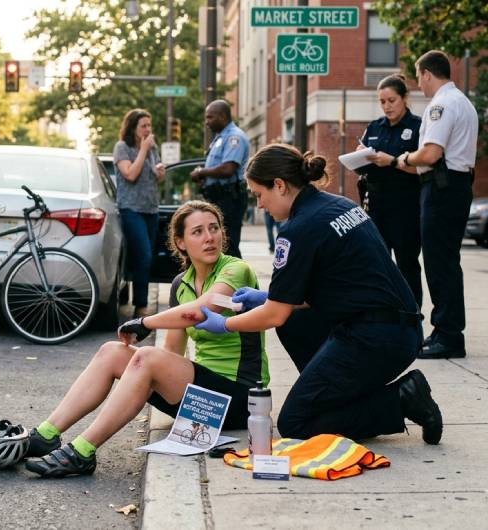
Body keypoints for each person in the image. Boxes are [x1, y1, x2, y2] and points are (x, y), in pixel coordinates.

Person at [194, 144, 443, 446]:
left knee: (296, 421)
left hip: (375, 340)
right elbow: (335, 285)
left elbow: (275, 315)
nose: (259, 205)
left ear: (280, 185)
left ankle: (401, 399)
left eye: (259, 194)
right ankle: (336, 396)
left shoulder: (297, 230)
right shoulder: (340, 205)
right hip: (401, 330)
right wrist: (267, 297)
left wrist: (225, 325)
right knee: (294, 322)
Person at [23, 201, 269, 478]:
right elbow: (172, 354)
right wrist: (142, 375)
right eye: (198, 231)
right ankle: (46, 434)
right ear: (181, 242)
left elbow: (202, 309)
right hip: (204, 403)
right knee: (111, 352)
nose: (210, 237)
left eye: (214, 229)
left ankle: (82, 451)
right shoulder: (181, 284)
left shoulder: (235, 269)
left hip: (242, 401)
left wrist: (144, 323)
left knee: (146, 357)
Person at [396, 50, 478, 360]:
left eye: (419, 78)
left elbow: (430, 154)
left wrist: (405, 158)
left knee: (439, 264)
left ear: (428, 74)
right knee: (446, 262)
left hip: (441, 189)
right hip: (455, 187)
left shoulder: (441, 105)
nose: (419, 84)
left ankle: (449, 336)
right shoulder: (464, 102)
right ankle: (445, 330)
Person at [355, 74, 423, 309]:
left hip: (406, 205)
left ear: (405, 98)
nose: (387, 106)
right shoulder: (374, 127)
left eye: (391, 100)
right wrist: (359, 157)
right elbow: (361, 166)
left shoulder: (417, 127)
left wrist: (392, 160)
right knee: (378, 262)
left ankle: (413, 316)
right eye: (382, 101)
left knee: (407, 264)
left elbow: (424, 167)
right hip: (376, 203)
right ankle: (383, 313)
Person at [113, 109, 166, 317]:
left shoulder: (152, 149)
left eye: (149, 125)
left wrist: (160, 172)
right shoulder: (122, 148)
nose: (147, 130)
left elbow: (156, 177)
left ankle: (133, 297)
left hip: (151, 209)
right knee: (142, 256)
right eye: (143, 126)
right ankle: (141, 306)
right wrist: (144, 149)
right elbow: (130, 174)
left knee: (146, 257)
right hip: (131, 209)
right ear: (132, 127)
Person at [191, 100, 249, 258]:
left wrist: (202, 172)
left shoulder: (234, 137)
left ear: (222, 117)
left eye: (210, 117)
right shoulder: (219, 138)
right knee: (220, 247)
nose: (206, 122)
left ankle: (242, 282)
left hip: (229, 198)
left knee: (228, 247)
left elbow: (228, 169)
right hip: (218, 198)